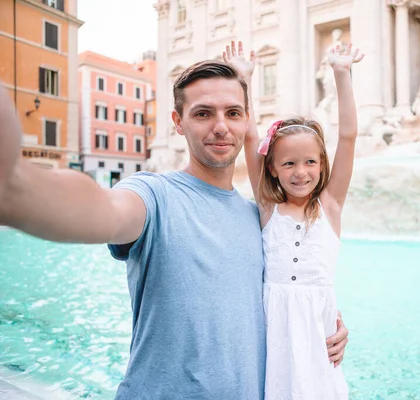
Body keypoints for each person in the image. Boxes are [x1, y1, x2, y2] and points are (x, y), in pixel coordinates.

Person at [0, 51, 349, 398]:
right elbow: (103, 210)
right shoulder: (154, 195)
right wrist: (15, 189)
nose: (221, 126)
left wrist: (321, 321)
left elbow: (284, 287)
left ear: (246, 123)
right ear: (177, 122)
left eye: (233, 113)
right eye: (202, 113)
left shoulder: (258, 217)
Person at [223, 40, 363, 399]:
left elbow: (347, 137)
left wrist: (341, 72)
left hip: (318, 330)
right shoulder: (268, 207)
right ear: (272, 167)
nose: (301, 172)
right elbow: (251, 136)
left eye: (310, 162)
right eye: (289, 163)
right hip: (273, 328)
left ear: (321, 164)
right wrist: (243, 78)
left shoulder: (330, 206)